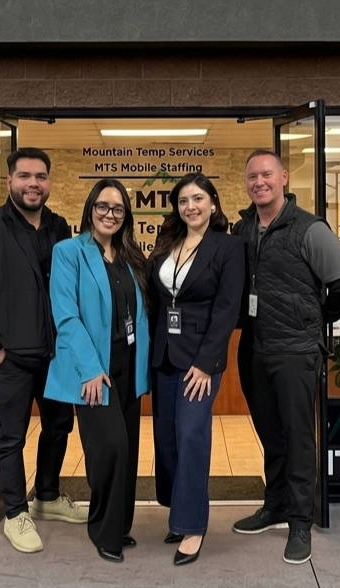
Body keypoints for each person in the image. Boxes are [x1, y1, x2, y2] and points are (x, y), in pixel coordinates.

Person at [231, 150, 340, 565]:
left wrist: (312, 321)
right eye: (252, 177)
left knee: (299, 437)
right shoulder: (243, 228)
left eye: (266, 174)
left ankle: (300, 523)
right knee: (270, 434)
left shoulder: (310, 229)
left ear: (283, 177)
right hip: (255, 348)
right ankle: (276, 506)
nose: (259, 182)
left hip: (296, 351)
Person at [0, 147, 87, 554]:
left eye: (40, 176)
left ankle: (47, 497)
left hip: (54, 356)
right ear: (10, 181)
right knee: (11, 436)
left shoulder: (58, 226)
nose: (33, 183)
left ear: (49, 182)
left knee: (59, 427)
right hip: (12, 356)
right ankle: (16, 513)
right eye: (24, 176)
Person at [44, 179, 150, 563]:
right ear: (90, 209)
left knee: (130, 450)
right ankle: (103, 531)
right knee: (111, 449)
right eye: (103, 206)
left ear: (126, 216)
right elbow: (66, 316)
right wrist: (90, 369)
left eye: (118, 209)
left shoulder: (128, 256)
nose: (110, 214)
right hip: (94, 371)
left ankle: (120, 526)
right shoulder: (69, 252)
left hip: (128, 368)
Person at [147, 173, 245, 566]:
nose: (190, 206)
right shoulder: (167, 244)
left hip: (200, 361)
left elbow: (227, 310)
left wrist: (206, 364)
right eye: (183, 200)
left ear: (213, 204)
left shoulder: (229, 247)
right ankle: (177, 509)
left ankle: (193, 526)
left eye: (198, 198)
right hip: (164, 355)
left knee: (191, 435)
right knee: (167, 439)